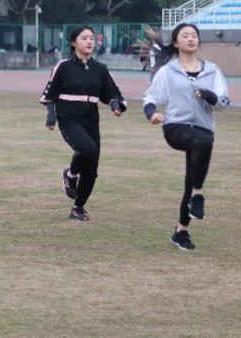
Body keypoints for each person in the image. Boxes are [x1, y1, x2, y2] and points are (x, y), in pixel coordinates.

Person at [142, 23, 230, 250]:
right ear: (175, 42)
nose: (191, 39)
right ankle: (198, 197)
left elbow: (224, 102)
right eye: (185, 35)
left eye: (194, 35)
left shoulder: (212, 70)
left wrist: (210, 96)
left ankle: (181, 232)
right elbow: (150, 97)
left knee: (191, 180)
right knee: (204, 144)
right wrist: (151, 114)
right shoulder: (167, 71)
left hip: (203, 129)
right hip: (176, 127)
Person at [40, 25, 126, 221]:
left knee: (92, 169)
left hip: (91, 120)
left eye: (91, 38)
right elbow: (49, 94)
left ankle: (77, 208)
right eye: (84, 38)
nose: (89, 41)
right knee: (88, 149)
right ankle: (70, 175)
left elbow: (112, 93)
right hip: (68, 118)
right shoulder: (63, 66)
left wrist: (115, 104)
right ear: (73, 42)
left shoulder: (100, 69)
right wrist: (51, 115)